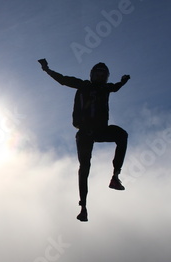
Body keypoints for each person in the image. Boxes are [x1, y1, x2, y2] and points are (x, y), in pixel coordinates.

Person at [38, 59, 130, 222]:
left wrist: (123, 82)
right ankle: (83, 206)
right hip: (85, 132)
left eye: (103, 75)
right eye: (98, 74)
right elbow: (63, 80)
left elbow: (115, 88)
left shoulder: (106, 88)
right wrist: (47, 69)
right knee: (85, 166)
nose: (100, 77)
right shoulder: (83, 85)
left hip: (100, 130)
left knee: (122, 135)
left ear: (106, 77)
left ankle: (115, 177)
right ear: (92, 75)